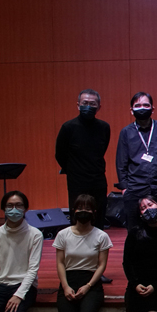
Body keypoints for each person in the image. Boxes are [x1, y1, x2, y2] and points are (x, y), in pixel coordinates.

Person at [54, 195, 113, 312]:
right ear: (74, 210)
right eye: (80, 208)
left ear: (94, 212)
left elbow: (101, 265)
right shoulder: (63, 234)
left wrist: (88, 286)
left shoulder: (101, 236)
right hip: (68, 281)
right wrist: (65, 286)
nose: (83, 211)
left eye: (88, 208)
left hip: (91, 283)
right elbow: (61, 263)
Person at [116, 92, 157, 228]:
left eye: (145, 105)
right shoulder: (126, 132)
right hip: (134, 186)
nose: (142, 108)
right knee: (134, 229)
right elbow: (121, 162)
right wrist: (125, 188)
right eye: (137, 105)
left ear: (152, 109)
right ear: (132, 111)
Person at [55, 89, 111, 231]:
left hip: (98, 179)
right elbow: (59, 154)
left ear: (99, 107)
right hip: (77, 180)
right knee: (78, 217)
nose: (88, 106)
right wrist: (73, 169)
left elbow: (102, 150)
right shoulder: (68, 127)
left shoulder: (104, 127)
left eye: (92, 104)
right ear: (78, 105)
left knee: (98, 217)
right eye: (85, 103)